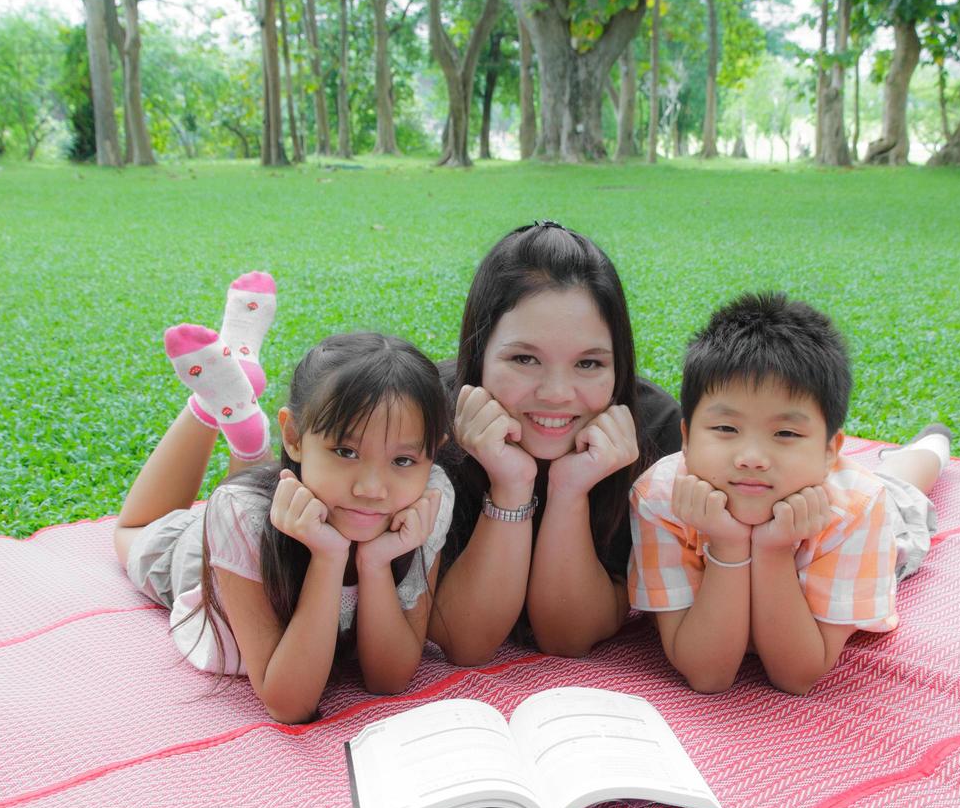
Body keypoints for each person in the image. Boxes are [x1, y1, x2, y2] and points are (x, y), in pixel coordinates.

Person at [113, 273, 453, 723]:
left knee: (252, 490)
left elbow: (388, 680)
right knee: (132, 530)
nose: (372, 488)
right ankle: (218, 407)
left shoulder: (428, 498)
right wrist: (329, 559)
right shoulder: (241, 516)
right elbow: (288, 704)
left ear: (434, 454)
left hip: (284, 505)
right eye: (346, 452)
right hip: (212, 551)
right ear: (292, 436)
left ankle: (241, 418)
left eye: (404, 461)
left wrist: (374, 562)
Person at [628, 292, 950, 695]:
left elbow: (796, 675)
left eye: (785, 433)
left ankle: (933, 445)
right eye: (726, 429)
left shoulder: (857, 510)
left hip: (871, 526)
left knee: (903, 490)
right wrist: (729, 544)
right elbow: (708, 674)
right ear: (687, 438)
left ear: (830, 450)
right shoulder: (661, 497)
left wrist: (774, 549)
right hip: (814, 487)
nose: (751, 458)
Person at [429, 223, 682, 664]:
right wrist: (510, 484)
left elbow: (567, 639)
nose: (557, 393)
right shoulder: (426, 424)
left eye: (589, 363)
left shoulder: (657, 434)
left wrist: (569, 491)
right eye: (525, 359)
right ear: (479, 353)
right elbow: (466, 643)